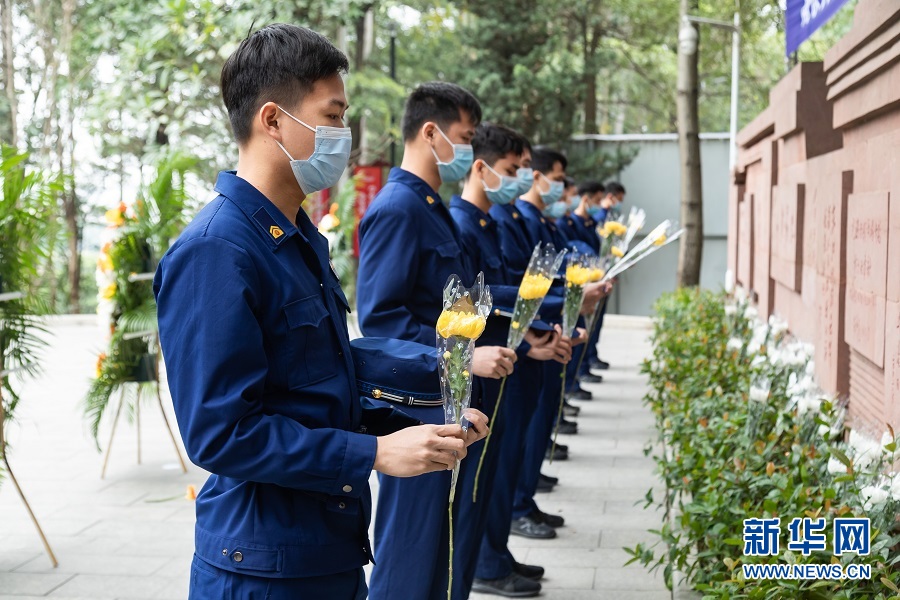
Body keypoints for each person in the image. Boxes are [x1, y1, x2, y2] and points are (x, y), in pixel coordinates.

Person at [154, 25, 491, 600]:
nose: (345, 134)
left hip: (322, 547)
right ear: (273, 120)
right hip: (262, 566)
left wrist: (414, 426)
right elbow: (221, 433)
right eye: (332, 116)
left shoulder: (296, 237)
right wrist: (376, 453)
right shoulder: (218, 249)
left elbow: (317, 381)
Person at [357, 82, 517, 600]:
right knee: (411, 553)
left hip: (447, 406)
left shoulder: (431, 207)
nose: (469, 151)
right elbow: (381, 320)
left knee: (442, 553)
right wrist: (465, 359)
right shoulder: (397, 208)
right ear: (431, 133)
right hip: (416, 411)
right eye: (465, 138)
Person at [449, 123, 572, 598]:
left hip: (508, 360)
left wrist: (539, 326)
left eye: (524, 168)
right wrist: (542, 315)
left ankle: (494, 552)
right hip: (487, 368)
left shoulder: (488, 220)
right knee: (489, 478)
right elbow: (472, 306)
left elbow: (500, 298)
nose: (523, 178)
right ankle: (488, 561)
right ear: (481, 166)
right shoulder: (466, 221)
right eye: (514, 169)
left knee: (505, 463)